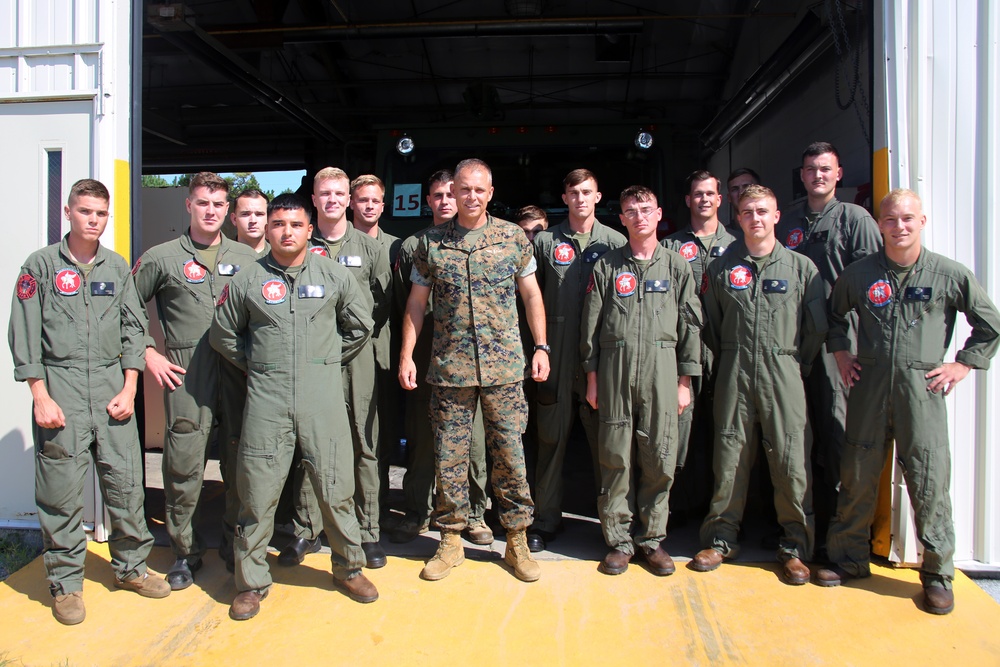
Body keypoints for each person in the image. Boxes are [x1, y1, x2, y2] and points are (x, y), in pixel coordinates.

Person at [814, 189, 1000, 615]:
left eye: (908, 219)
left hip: (923, 391)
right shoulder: (860, 274)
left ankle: (937, 577)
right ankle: (848, 559)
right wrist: (843, 353)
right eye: (892, 219)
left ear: (922, 221)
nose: (900, 226)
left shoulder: (949, 274)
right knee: (857, 474)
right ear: (880, 225)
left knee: (929, 482)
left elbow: (990, 325)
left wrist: (963, 364)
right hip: (870, 388)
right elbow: (834, 316)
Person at [9, 178, 171, 625]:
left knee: (125, 485)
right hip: (60, 388)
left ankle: (132, 568)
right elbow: (24, 337)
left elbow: (134, 331)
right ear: (68, 212)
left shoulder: (117, 268)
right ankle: (65, 585)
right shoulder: (39, 267)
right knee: (60, 493)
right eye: (85, 212)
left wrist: (130, 388)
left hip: (110, 387)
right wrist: (40, 395)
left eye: (101, 214)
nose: (93, 220)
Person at [211, 193, 378, 620]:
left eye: (295, 224)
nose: (287, 232)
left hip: (322, 397)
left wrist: (324, 359)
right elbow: (224, 334)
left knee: (337, 488)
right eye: (279, 224)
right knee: (257, 494)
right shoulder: (248, 279)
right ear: (268, 229)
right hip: (267, 399)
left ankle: (348, 567)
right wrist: (260, 365)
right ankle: (250, 583)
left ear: (309, 229)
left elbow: (361, 323)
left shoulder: (334, 275)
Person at [399, 158, 550, 582]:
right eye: (463, 189)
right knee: (449, 456)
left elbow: (532, 296)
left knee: (510, 454)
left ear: (490, 191)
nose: (470, 197)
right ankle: (450, 540)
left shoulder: (513, 237)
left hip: (504, 367)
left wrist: (541, 346)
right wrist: (407, 355)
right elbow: (415, 304)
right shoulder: (430, 243)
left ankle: (516, 540)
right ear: (454, 190)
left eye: (478, 190)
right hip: (450, 369)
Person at [691, 184, 827, 585]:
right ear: (738, 217)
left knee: (790, 461)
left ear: (777, 215)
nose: (756, 218)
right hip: (735, 368)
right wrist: (733, 356)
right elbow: (711, 325)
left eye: (763, 211)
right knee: (729, 456)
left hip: (784, 370)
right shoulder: (721, 269)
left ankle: (795, 548)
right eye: (748, 212)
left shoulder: (802, 269)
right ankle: (720, 538)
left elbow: (816, 328)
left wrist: (791, 363)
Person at [134, 172, 259, 588]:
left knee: (240, 462)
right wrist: (149, 352)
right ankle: (184, 552)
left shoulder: (248, 259)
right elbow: (125, 309)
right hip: (187, 373)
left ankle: (232, 543)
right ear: (188, 205)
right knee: (183, 465)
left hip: (238, 372)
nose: (211, 210)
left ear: (228, 210)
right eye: (203, 202)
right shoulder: (161, 257)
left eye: (219, 204)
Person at [581, 185, 701, 575]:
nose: (639, 216)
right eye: (631, 211)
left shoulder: (676, 266)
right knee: (615, 457)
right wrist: (593, 377)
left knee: (659, 457)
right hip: (615, 371)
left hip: (662, 371)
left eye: (645, 209)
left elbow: (691, 325)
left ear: (660, 213)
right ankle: (618, 542)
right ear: (622, 219)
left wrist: (685, 381)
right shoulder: (607, 267)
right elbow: (591, 326)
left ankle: (651, 541)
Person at [278, 167, 391, 569]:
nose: (332, 200)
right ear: (314, 197)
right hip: (312, 360)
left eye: (339, 193)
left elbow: (383, 305)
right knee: (310, 443)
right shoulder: (300, 243)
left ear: (348, 199)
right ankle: (306, 529)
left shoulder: (372, 248)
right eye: (324, 193)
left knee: (364, 441)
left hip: (357, 356)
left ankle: (367, 531)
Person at [775, 142, 882, 554]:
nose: (817, 175)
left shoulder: (856, 219)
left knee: (836, 433)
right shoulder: (788, 221)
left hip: (838, 341)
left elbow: (872, 285)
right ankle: (799, 526)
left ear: (838, 174)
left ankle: (842, 535)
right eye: (810, 169)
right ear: (801, 175)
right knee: (795, 434)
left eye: (825, 169)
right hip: (793, 340)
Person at [391, 170, 493, 546]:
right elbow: (407, 306)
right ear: (428, 201)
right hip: (426, 359)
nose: (446, 200)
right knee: (420, 438)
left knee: (474, 442)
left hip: (469, 362)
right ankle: (417, 511)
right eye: (438, 195)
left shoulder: (485, 243)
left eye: (453, 193)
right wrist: (407, 356)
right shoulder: (413, 246)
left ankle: (475, 515)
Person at [529, 169, 627, 552]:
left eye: (587, 191)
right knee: (550, 439)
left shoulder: (617, 242)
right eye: (574, 192)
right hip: (555, 351)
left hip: (600, 358)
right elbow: (529, 299)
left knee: (606, 444)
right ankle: (546, 519)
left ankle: (613, 527)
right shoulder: (545, 243)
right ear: (565, 197)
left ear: (598, 196)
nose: (581, 198)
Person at [662, 170, 736, 520]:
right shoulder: (671, 247)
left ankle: (723, 510)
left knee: (725, 430)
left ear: (720, 199)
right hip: (683, 352)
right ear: (688, 201)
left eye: (711, 193)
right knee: (681, 431)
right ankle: (679, 506)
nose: (704, 199)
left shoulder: (737, 246)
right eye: (697, 194)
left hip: (725, 351)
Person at [350, 174, 403, 532]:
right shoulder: (326, 245)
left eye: (375, 200)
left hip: (383, 347)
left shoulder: (398, 247)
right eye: (363, 200)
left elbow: (400, 303)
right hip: (343, 353)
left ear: (383, 205)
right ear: (352, 203)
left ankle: (377, 504)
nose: (369, 206)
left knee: (379, 431)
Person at [230, 189, 270, 255]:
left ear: (269, 219)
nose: (253, 221)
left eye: (259, 214)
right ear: (234, 219)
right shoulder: (220, 257)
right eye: (245, 214)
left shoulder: (281, 258)